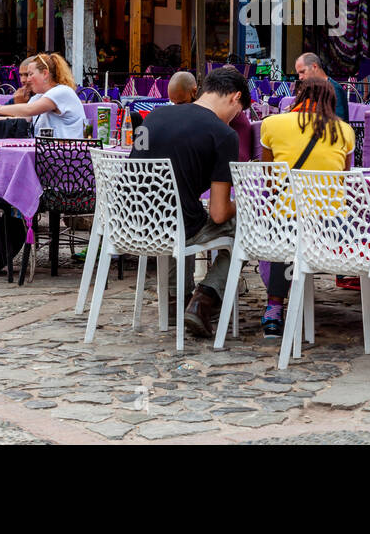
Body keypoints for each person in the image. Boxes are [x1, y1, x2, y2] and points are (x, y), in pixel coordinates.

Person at [130, 66, 250, 338]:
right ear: (234, 97)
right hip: (177, 225)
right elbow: (219, 214)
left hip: (132, 220)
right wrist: (245, 206)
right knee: (246, 228)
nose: (235, 118)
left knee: (183, 211)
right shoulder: (224, 135)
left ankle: (175, 301)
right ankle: (203, 300)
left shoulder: (153, 117)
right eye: (238, 111)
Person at [258, 77, 355, 338]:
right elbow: (343, 179)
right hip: (331, 229)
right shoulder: (344, 130)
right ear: (331, 100)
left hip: (285, 228)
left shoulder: (271, 124)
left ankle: (274, 308)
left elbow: (269, 180)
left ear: (298, 96)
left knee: (287, 225)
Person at [0, 52, 85, 137]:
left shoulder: (62, 92)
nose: (27, 80)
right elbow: (20, 120)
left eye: (30, 74)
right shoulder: (38, 97)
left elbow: (30, 109)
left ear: (45, 73)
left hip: (68, 159)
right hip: (47, 156)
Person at [294, 52, 348, 121]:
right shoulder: (311, 88)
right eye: (298, 74)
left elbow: (339, 121)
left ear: (314, 67)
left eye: (303, 72)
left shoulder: (334, 88)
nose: (300, 77)